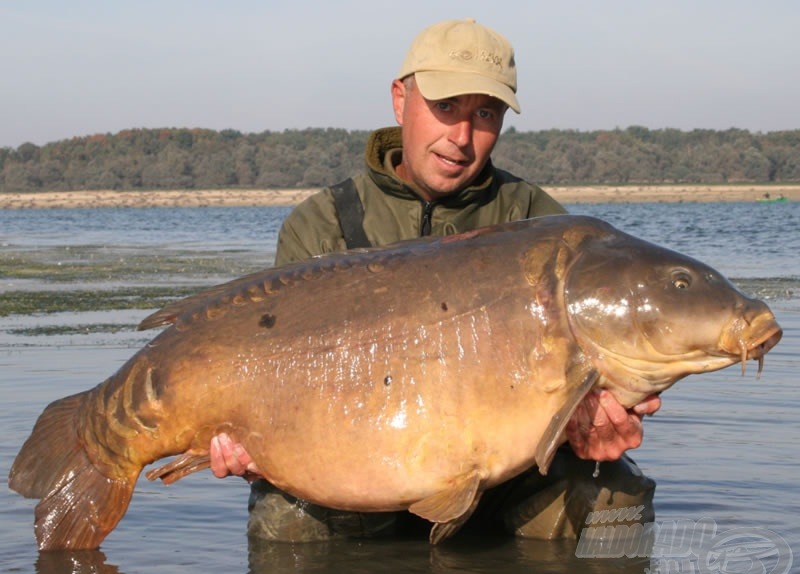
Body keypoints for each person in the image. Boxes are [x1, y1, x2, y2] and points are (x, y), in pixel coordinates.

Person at [210, 18, 660, 541]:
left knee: (613, 497)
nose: (462, 137)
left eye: (484, 113)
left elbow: (592, 377)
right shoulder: (323, 224)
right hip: (352, 474)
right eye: (445, 107)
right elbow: (274, 372)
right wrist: (253, 442)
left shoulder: (539, 224)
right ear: (400, 100)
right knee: (285, 523)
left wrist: (596, 428)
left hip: (501, 480)